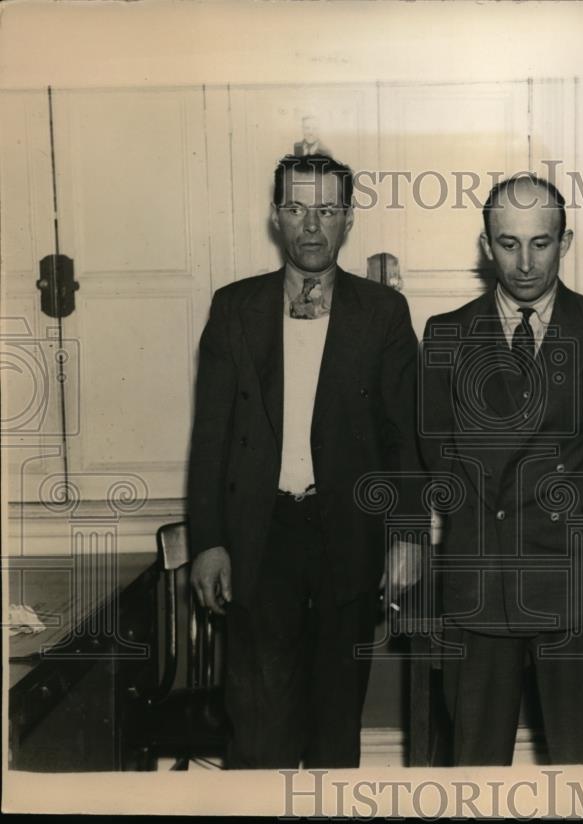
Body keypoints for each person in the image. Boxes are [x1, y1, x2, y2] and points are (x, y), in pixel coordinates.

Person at [187, 153, 422, 768]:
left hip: (348, 534)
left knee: (335, 727)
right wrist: (209, 541)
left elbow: (405, 440)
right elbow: (210, 435)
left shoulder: (383, 314)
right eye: (296, 209)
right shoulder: (235, 308)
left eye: (326, 210)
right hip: (261, 536)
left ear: (347, 219)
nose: (311, 225)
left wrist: (407, 537)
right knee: (259, 730)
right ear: (275, 218)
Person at [419, 174, 583, 765]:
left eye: (541, 243)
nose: (524, 262)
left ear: (565, 241)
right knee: (475, 772)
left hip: (577, 582)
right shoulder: (445, 334)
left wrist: (574, 518)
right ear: (485, 244)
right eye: (507, 243)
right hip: (481, 578)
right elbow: (435, 453)